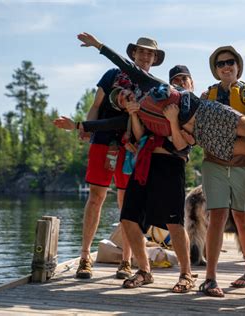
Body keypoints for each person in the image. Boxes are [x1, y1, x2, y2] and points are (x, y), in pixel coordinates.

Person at [76, 32, 245, 169]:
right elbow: (107, 125)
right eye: (120, 99)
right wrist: (79, 126)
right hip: (202, 137)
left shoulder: (146, 82)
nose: (125, 96)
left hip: (206, 113)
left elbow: (123, 63)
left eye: (124, 93)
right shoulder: (137, 115)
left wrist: (98, 45)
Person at [54, 36, 164, 280]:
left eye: (150, 54)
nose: (145, 57)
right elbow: (97, 104)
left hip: (131, 147)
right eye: (141, 52)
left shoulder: (152, 87)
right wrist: (87, 128)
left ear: (155, 59)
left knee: (127, 201)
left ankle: (126, 261)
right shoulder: (113, 75)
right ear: (133, 53)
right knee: (96, 197)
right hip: (103, 141)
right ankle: (85, 257)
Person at [197, 46, 245, 297]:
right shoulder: (206, 96)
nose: (226, 67)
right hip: (213, 163)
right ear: (215, 69)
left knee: (243, 216)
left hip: (242, 165)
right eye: (221, 63)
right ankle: (210, 278)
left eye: (231, 62)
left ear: (238, 66)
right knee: (217, 217)